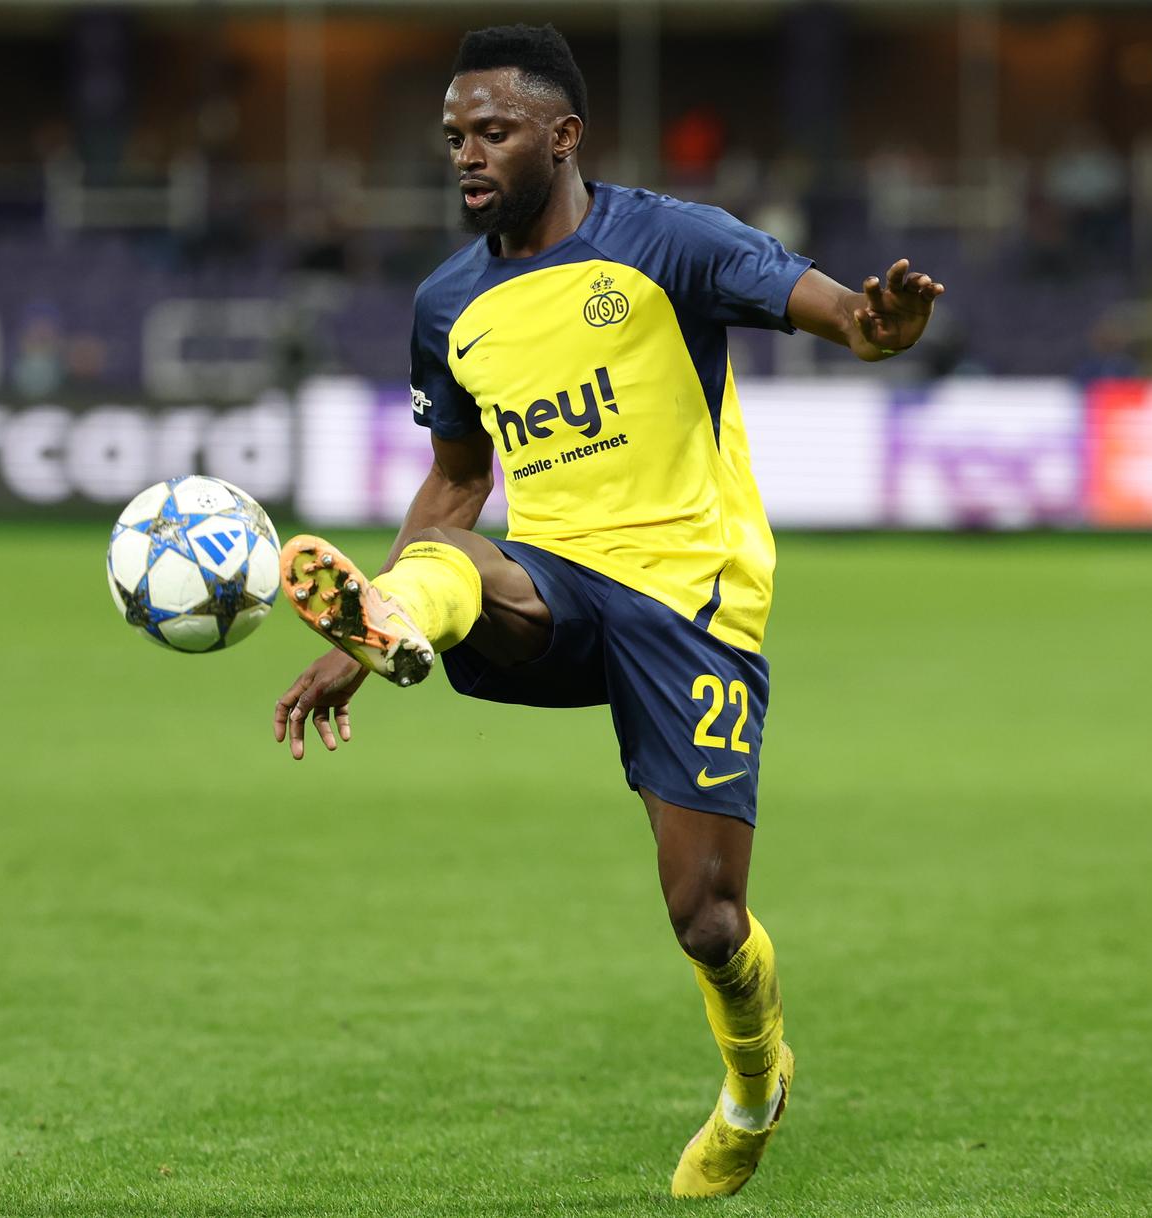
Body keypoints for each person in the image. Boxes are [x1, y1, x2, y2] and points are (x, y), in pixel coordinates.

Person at [269, 24, 942, 1199]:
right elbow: (458, 483)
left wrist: (875, 326)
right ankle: (395, 620)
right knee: (455, 556)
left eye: (493, 131)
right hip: (556, 582)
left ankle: (754, 1087)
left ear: (564, 135)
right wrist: (372, 621)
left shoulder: (671, 241)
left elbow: (837, 311)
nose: (467, 154)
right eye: (454, 136)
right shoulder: (447, 304)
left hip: (691, 596)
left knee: (707, 919)